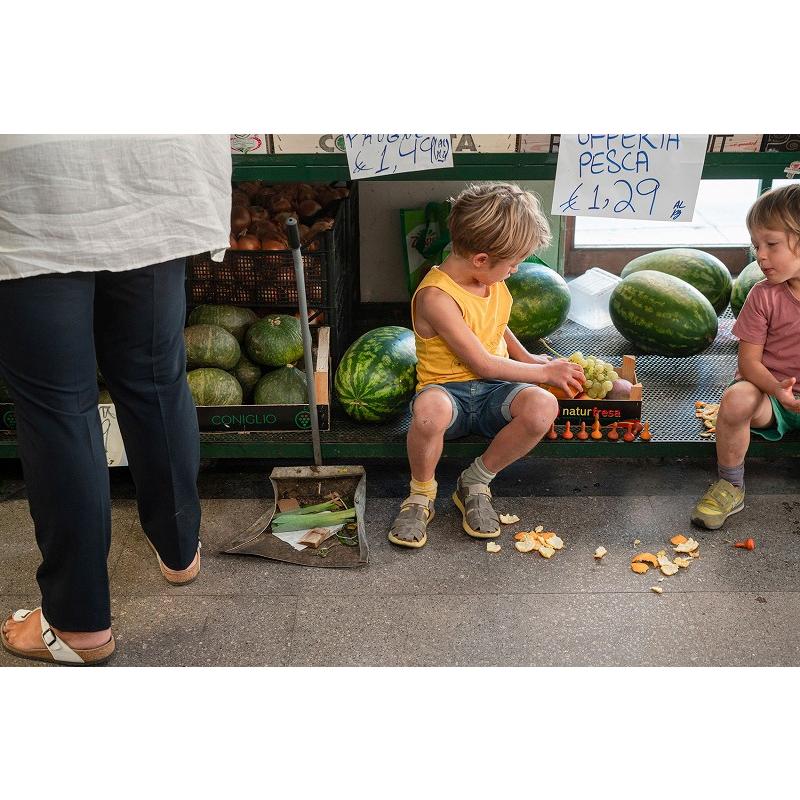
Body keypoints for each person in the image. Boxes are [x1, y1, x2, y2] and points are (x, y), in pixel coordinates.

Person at [0, 135, 232, 664]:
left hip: (34, 178)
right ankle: (179, 550)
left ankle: (79, 624)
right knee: (154, 375)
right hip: (151, 162)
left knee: (59, 409)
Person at [388, 183, 584, 548]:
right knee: (428, 412)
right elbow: (481, 362)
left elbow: (496, 322)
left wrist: (525, 357)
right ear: (480, 259)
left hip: (495, 392)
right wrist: (543, 372)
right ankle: (421, 494)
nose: (515, 270)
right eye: (512, 264)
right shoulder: (436, 297)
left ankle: (475, 481)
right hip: (449, 394)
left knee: (544, 406)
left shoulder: (488, 282)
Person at [692, 183, 800, 530]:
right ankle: (731, 484)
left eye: (772, 244)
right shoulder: (762, 295)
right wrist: (779, 390)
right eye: (756, 246)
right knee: (735, 401)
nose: (760, 256)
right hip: (772, 396)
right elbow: (748, 364)